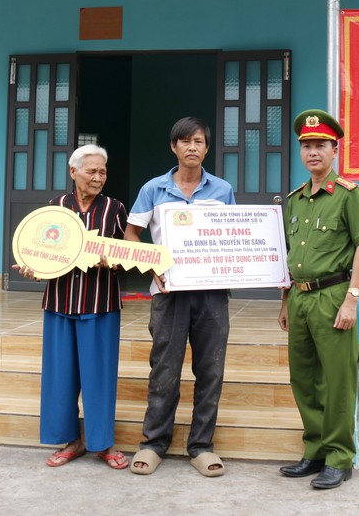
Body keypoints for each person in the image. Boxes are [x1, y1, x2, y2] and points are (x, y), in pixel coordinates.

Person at [124, 117, 236, 477]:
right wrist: (150, 265)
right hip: (169, 293)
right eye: (185, 141)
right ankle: (153, 443)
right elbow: (131, 233)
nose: (192, 147)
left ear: (206, 148)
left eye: (199, 141)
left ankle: (201, 446)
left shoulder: (222, 190)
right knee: (165, 370)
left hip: (212, 295)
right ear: (174, 147)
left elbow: (238, 233)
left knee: (210, 371)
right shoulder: (153, 189)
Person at [13, 144, 129, 470]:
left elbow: (127, 253)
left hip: (100, 305)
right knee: (60, 377)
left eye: (103, 172)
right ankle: (71, 441)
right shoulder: (55, 208)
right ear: (73, 172)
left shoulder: (114, 209)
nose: (98, 178)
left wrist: (115, 260)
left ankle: (102, 444)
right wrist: (32, 267)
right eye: (91, 171)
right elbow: (39, 253)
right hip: (60, 303)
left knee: (99, 378)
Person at [277, 109, 359, 490]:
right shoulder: (295, 200)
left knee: (337, 379)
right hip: (299, 299)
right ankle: (315, 449)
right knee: (303, 378)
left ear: (335, 149)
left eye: (320, 145)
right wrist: (285, 301)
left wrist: (351, 300)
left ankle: (339, 457)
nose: (313, 152)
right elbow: (287, 251)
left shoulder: (349, 195)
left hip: (333, 295)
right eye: (306, 146)